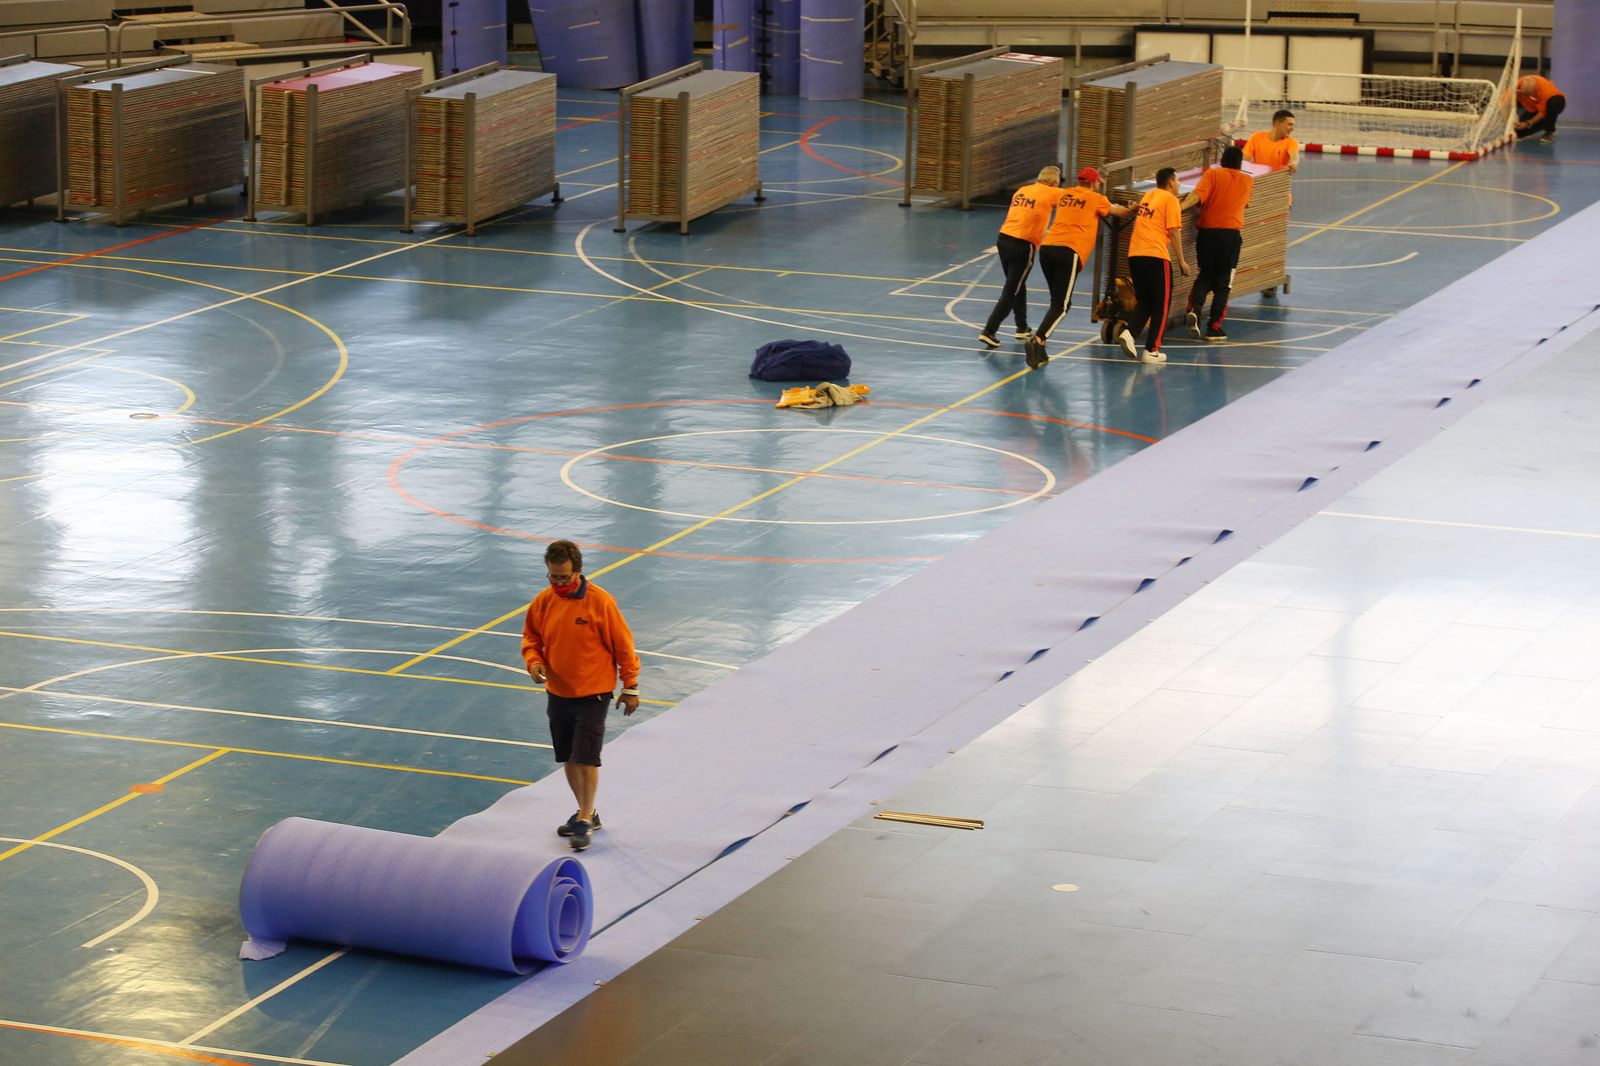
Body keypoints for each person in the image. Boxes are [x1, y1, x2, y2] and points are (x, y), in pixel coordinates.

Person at [521, 539, 640, 852]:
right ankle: (587, 811)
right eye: (553, 577)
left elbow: (623, 646)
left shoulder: (600, 602)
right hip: (558, 692)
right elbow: (531, 638)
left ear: (578, 572)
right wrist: (533, 662)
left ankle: (585, 819)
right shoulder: (543, 602)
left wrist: (630, 686)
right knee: (568, 758)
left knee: (585, 758)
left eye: (564, 577)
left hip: (593, 694)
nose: (559, 584)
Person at [1026, 166, 1134, 368]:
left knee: (1056, 302)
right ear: (1093, 183)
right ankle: (1037, 339)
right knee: (1062, 306)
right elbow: (1121, 212)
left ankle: (1041, 349)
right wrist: (1136, 208)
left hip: (1047, 249)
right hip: (1069, 251)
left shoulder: (1065, 194)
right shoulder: (1095, 198)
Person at [979, 165, 1065, 349]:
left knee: (1017, 283)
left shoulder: (1022, 191)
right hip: (1023, 245)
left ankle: (1021, 327)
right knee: (1011, 290)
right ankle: (989, 330)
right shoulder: (1049, 192)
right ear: (1052, 183)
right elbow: (1073, 198)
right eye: (1057, 184)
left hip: (1003, 240)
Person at [1115, 166, 1190, 364]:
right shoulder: (1171, 200)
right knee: (1161, 304)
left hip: (1135, 255)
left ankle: (1129, 334)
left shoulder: (1148, 196)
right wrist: (1182, 261)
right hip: (1156, 256)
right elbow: (1174, 232)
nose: (1180, 185)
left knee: (1145, 302)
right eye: (1178, 181)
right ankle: (1152, 350)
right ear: (1171, 183)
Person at [1184, 145, 1253, 343]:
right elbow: (1245, 203)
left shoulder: (1212, 175)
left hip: (1207, 234)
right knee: (1224, 284)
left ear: (1222, 161)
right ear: (1240, 164)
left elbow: (1197, 196)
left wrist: (1178, 207)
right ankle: (1214, 328)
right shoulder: (1247, 181)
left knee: (1205, 275)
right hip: (1231, 237)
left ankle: (1194, 310)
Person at [1515, 74, 1565, 143]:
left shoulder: (1546, 92)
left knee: (1554, 104)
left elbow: (1542, 112)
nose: (1525, 96)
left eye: (1529, 94)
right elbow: (1504, 99)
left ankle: (1549, 131)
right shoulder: (1516, 85)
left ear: (1535, 90)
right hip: (1535, 107)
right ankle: (1542, 124)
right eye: (1524, 94)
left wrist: (1528, 123)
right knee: (1519, 132)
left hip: (1552, 104)